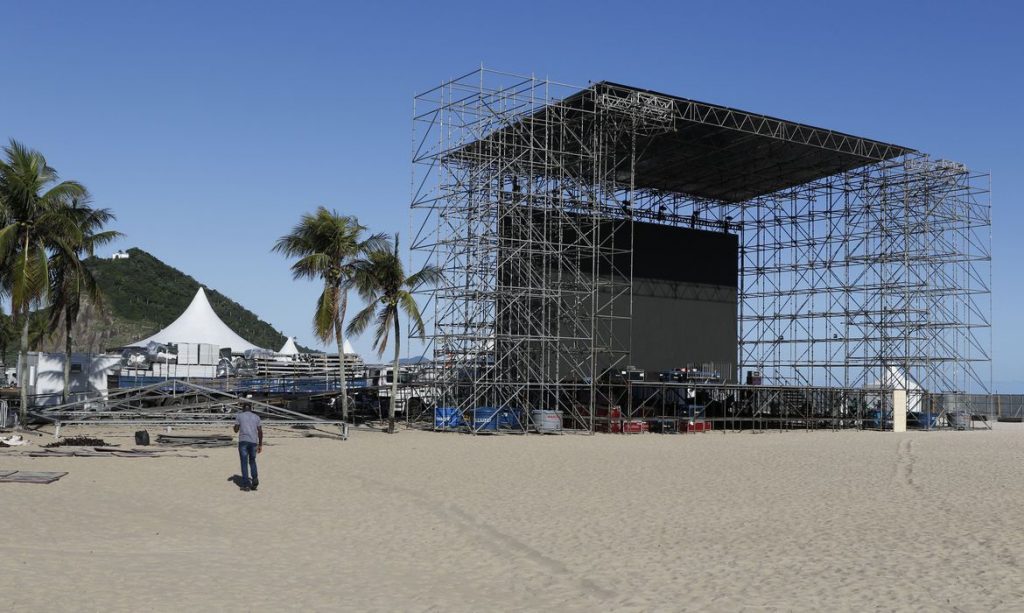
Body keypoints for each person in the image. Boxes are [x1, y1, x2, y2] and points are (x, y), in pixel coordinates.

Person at [233, 403, 263, 491]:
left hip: (243, 441)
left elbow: (236, 430)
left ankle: (246, 485)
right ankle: (254, 479)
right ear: (251, 408)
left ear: (243, 408)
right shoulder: (257, 417)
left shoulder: (239, 416)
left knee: (244, 462)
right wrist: (260, 444)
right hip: (253, 442)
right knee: (252, 461)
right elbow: (260, 431)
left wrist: (235, 426)